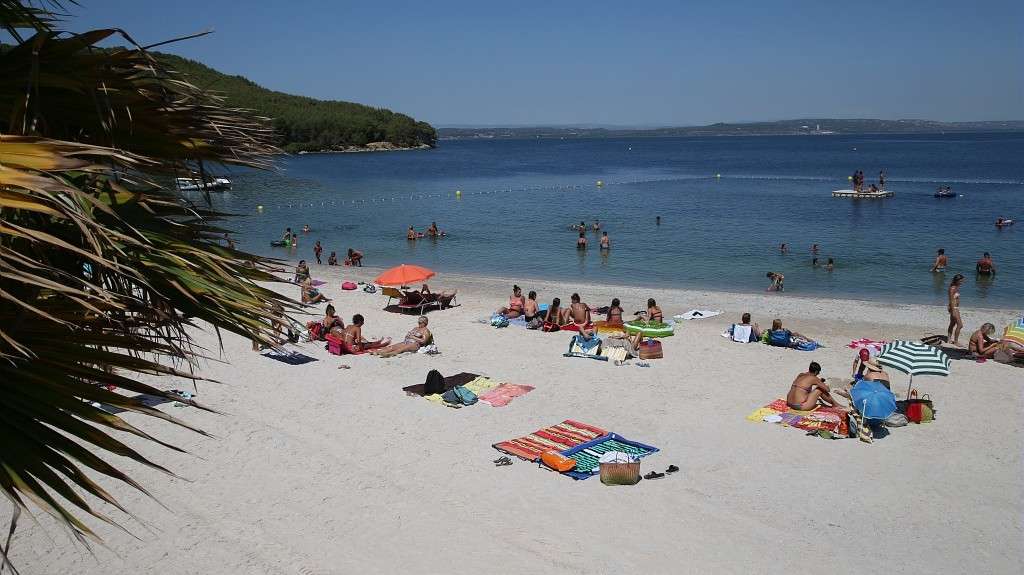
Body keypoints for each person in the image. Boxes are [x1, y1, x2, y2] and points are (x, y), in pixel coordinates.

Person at [947, 273, 965, 346]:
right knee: (960, 325)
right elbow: (951, 300)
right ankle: (956, 342)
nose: (962, 282)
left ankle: (948, 339)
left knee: (952, 324)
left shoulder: (956, 287)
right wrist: (953, 310)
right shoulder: (952, 288)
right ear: (957, 280)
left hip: (955, 307)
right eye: (961, 281)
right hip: (954, 308)